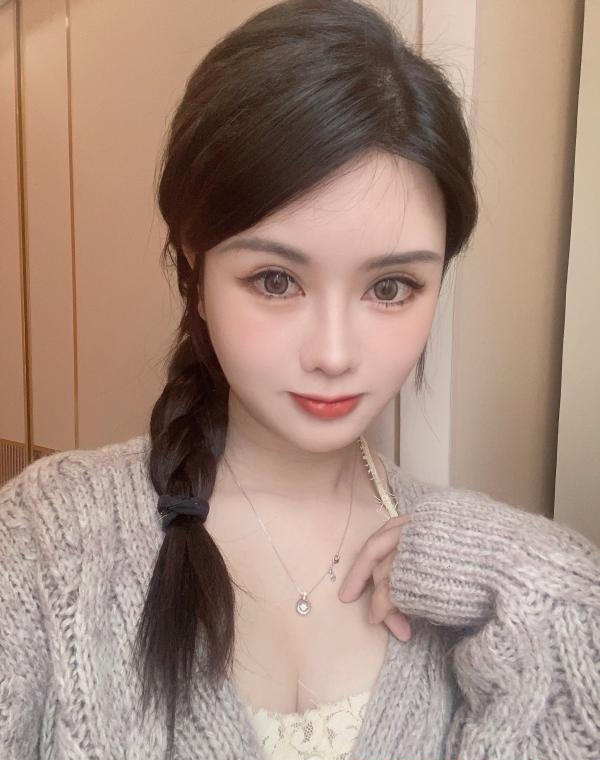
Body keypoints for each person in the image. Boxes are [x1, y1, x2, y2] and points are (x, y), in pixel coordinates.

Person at [1, 0, 598, 758]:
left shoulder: (483, 581)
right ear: (194, 270)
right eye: (276, 280)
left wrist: (546, 581)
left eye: (392, 288)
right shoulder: (46, 540)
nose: (334, 353)